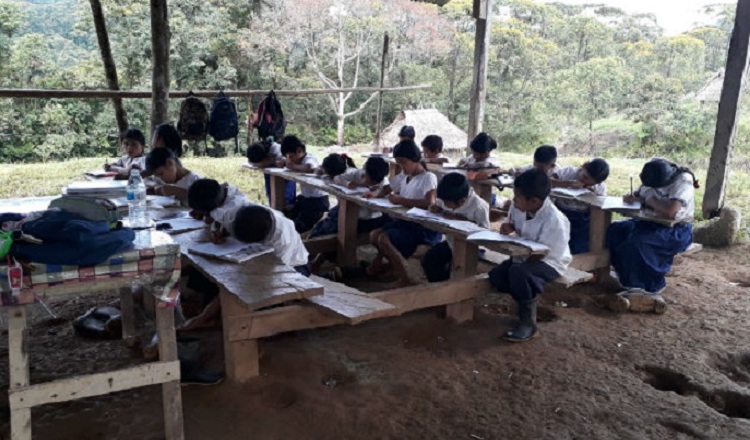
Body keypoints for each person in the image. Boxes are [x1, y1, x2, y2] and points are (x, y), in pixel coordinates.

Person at [180, 204, 309, 331]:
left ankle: (213, 318)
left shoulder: (282, 238)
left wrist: (203, 317)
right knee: (210, 269)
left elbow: (273, 277)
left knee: (256, 296)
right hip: (255, 258)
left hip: (292, 269)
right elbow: (220, 222)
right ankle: (213, 313)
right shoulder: (240, 212)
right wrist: (218, 232)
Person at [605, 158, 698, 314]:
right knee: (615, 231)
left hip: (675, 229)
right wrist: (632, 197)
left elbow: (671, 211)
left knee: (637, 242)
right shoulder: (653, 173)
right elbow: (639, 194)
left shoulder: (683, 180)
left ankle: (648, 288)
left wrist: (650, 200)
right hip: (648, 222)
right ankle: (627, 280)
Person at [488, 169, 571, 342]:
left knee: (518, 273)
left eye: (518, 197)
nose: (514, 200)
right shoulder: (519, 206)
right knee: (496, 277)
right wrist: (509, 228)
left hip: (549, 261)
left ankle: (528, 323)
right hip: (523, 255)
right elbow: (514, 225)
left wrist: (518, 262)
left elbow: (546, 252)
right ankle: (525, 295)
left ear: (534, 201)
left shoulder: (555, 220)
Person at [367, 140, 442, 287]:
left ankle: (405, 278)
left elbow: (429, 202)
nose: (402, 167)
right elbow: (387, 188)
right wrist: (374, 194)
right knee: (374, 236)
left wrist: (402, 200)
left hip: (423, 227)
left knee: (384, 238)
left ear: (415, 159)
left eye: (403, 163)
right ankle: (394, 267)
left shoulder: (428, 177)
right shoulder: (404, 176)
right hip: (406, 223)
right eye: (399, 163)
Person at [420, 173, 490, 282]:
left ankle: (451, 288)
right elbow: (438, 204)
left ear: (461, 201)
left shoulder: (479, 206)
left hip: (471, 247)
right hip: (451, 241)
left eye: (447, 203)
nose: (445, 205)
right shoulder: (447, 197)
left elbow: (485, 230)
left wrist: (459, 218)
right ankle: (439, 286)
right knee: (429, 259)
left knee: (457, 267)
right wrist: (435, 208)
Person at [551, 158, 610, 254]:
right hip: (560, 212)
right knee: (558, 240)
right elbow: (548, 180)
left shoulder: (600, 187)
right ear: (584, 167)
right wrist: (568, 183)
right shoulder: (568, 172)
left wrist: (593, 196)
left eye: (589, 183)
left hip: (581, 217)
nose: (583, 182)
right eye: (584, 177)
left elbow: (599, 206)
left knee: (580, 244)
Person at [279, 135, 329, 232]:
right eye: (287, 157)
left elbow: (309, 168)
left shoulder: (309, 158)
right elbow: (286, 162)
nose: (290, 159)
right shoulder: (297, 160)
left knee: (298, 225)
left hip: (318, 202)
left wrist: (293, 166)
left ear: (299, 151)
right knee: (287, 215)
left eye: (291, 156)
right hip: (305, 199)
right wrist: (284, 162)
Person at [246, 138, 296, 206]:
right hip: (270, 174)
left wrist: (279, 162)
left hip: (287, 175)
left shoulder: (277, 150)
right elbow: (250, 161)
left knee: (288, 199)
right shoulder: (256, 150)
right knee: (272, 197)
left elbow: (290, 162)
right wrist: (266, 163)